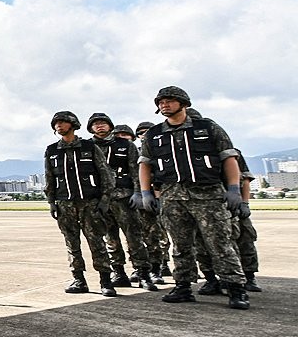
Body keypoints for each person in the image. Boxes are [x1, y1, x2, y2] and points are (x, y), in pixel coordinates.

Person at [134, 86, 249, 309]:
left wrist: (234, 189)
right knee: (180, 245)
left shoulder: (208, 128)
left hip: (208, 196)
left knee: (219, 243)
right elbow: (145, 165)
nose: (164, 105)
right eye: (160, 102)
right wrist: (146, 192)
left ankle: (236, 288)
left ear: (184, 103)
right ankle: (183, 286)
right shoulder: (154, 134)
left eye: (169, 101)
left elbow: (229, 159)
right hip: (172, 196)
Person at [44, 111, 117, 296]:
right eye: (56, 123)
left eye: (62, 122)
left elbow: (105, 174)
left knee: (97, 242)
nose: (58, 126)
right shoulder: (52, 151)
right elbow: (50, 179)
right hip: (64, 204)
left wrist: (105, 200)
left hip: (89, 203)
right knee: (71, 243)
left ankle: (105, 281)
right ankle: (79, 279)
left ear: (73, 124)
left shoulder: (89, 147)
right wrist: (52, 202)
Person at [87, 114, 155, 291]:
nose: (100, 126)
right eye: (95, 124)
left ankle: (143, 273)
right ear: (90, 128)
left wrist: (139, 193)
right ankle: (119, 273)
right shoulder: (86, 147)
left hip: (124, 197)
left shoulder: (125, 145)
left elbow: (135, 170)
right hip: (100, 199)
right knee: (111, 239)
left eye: (103, 123)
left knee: (134, 237)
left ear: (110, 126)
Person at [196, 158, 263, 294]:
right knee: (203, 244)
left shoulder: (232, 153)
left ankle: (248, 277)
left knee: (245, 240)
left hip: (233, 203)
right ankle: (212, 280)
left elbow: (245, 180)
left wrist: (244, 203)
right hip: (206, 204)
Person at [134, 119, 171, 280]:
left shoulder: (162, 149)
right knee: (148, 234)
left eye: (147, 131)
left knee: (163, 234)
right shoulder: (135, 152)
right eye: (141, 133)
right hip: (144, 197)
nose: (144, 135)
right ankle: (151, 267)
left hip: (163, 194)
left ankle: (164, 264)